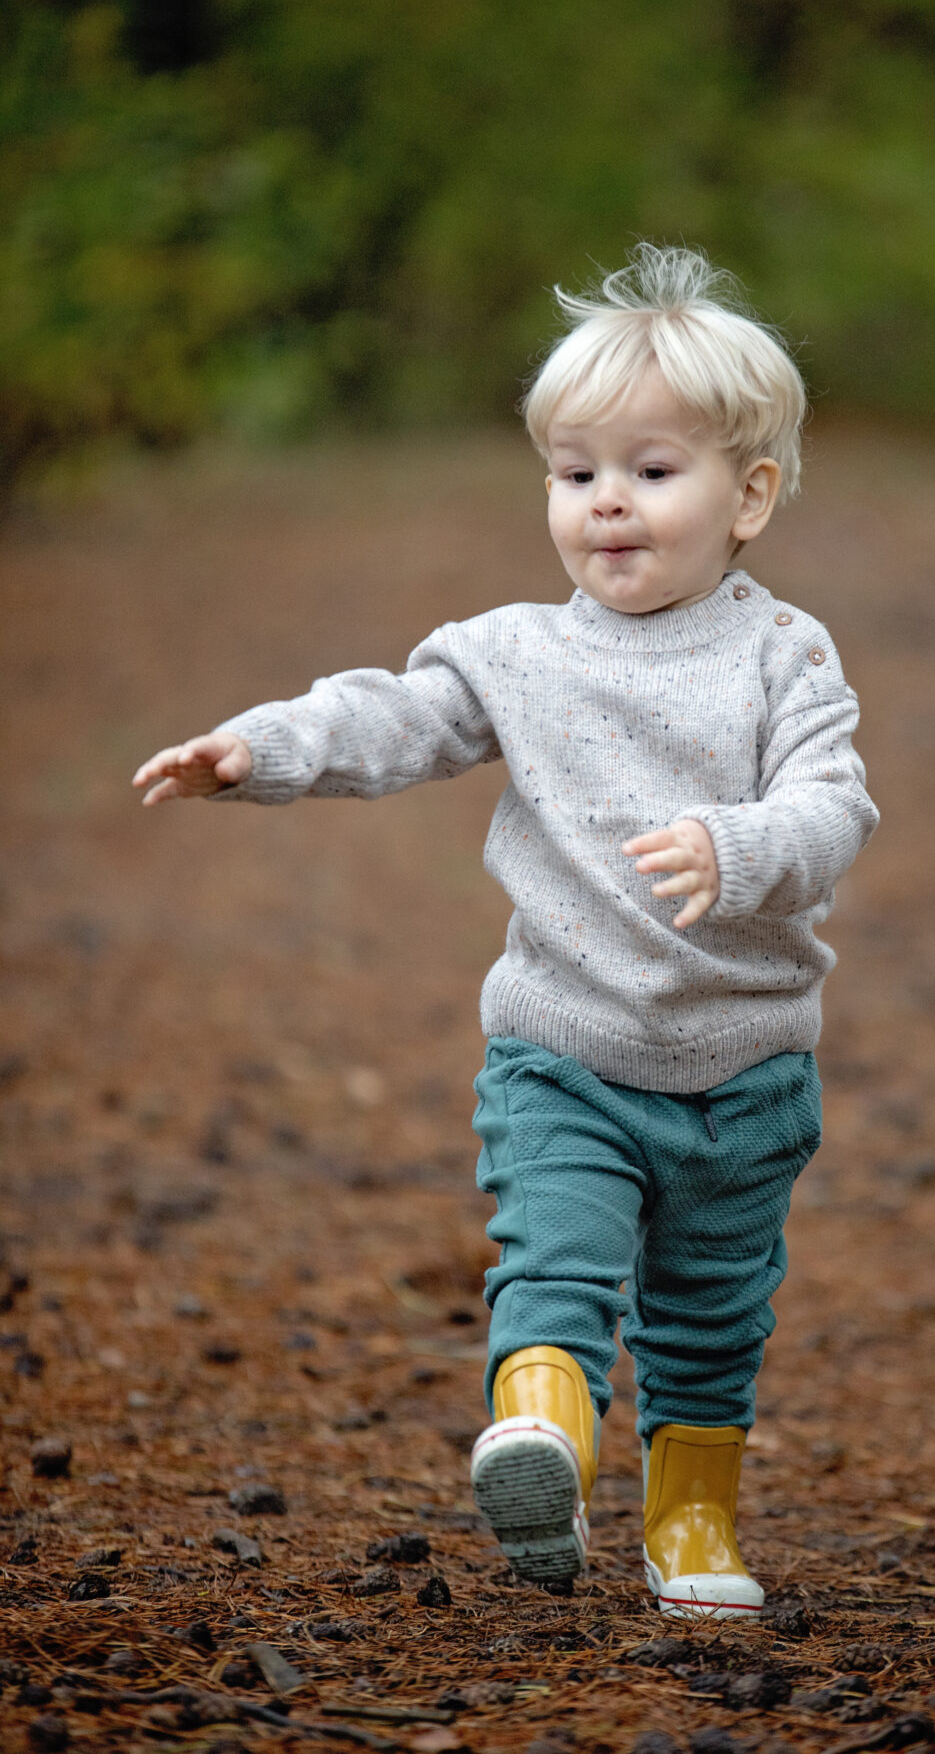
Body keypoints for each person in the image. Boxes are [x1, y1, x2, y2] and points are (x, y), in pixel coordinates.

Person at [133, 244, 879, 1620]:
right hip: (566, 1051)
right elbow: (393, 714)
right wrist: (261, 746)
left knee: (713, 1317)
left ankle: (692, 1520)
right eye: (573, 469)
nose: (605, 500)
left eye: (652, 470)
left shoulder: (788, 658)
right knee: (557, 1256)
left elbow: (835, 803)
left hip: (748, 1075)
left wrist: (743, 843)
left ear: (750, 496)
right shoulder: (515, 653)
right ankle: (538, 1433)